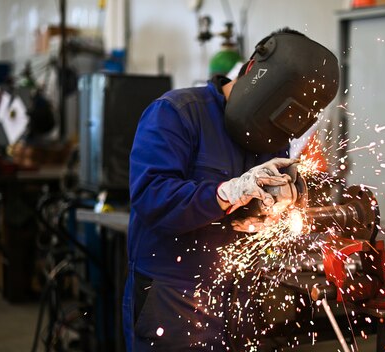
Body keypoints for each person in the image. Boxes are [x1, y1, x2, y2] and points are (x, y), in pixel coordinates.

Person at [123, 27, 339, 351]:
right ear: (252, 70)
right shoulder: (177, 113)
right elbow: (152, 197)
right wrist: (228, 194)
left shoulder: (273, 138)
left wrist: (275, 214)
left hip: (239, 299)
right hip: (173, 299)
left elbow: (263, 207)